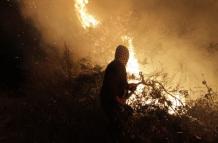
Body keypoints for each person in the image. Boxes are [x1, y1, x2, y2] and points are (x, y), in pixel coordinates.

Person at [100, 45, 137, 141]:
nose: (127, 59)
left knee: (121, 120)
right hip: (110, 103)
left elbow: (120, 83)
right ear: (123, 56)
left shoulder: (115, 65)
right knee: (116, 127)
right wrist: (119, 100)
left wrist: (129, 86)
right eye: (126, 56)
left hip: (109, 102)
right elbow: (110, 87)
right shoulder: (118, 66)